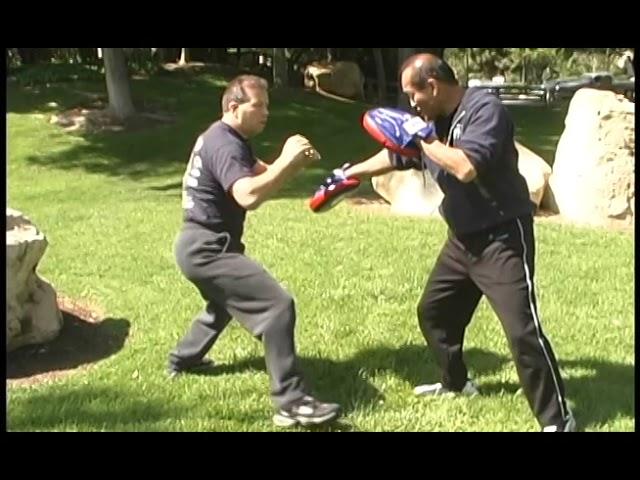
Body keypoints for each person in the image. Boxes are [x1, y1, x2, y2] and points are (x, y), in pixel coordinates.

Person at [329, 54, 575, 432]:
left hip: (502, 237)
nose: (412, 103)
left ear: (433, 85)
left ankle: (558, 420)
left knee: (522, 331)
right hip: (462, 239)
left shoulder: (484, 111)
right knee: (434, 313)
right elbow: (397, 154)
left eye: (414, 94)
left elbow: (464, 166)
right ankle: (457, 382)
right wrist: (349, 173)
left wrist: (423, 137)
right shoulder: (431, 121)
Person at [170, 74, 341, 427]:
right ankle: (291, 402)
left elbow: (262, 173)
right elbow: (248, 194)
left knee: (222, 306)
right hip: (207, 248)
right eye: (258, 106)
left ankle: (181, 359)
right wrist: (286, 162)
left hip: (201, 245)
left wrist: (293, 164)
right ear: (234, 107)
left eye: (267, 105)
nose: (266, 113)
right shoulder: (224, 142)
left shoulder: (229, 139)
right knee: (276, 306)